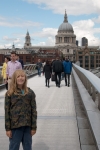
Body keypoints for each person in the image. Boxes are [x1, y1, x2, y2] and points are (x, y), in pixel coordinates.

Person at [5, 69, 37, 150]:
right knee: (14, 147)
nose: (20, 78)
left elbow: (34, 111)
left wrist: (34, 127)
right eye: (18, 76)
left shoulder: (30, 93)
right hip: (15, 126)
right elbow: (7, 112)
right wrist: (8, 128)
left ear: (25, 78)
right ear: (14, 79)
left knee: (27, 146)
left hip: (27, 126)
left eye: (22, 76)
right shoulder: (10, 93)